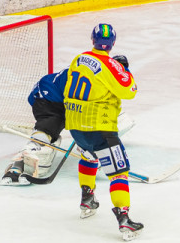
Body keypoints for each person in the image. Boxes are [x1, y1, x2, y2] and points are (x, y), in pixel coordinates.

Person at [0, 55, 134, 186]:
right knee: (46, 132)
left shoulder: (97, 73)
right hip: (47, 97)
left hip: (58, 96)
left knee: (116, 121)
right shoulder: (93, 76)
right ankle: (18, 165)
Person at [65, 23, 143, 241]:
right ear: (113, 44)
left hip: (75, 126)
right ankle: (124, 219)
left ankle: (87, 199)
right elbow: (130, 91)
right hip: (100, 128)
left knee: (88, 157)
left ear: (92, 41)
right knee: (119, 172)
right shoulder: (110, 65)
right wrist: (124, 68)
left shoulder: (78, 59)